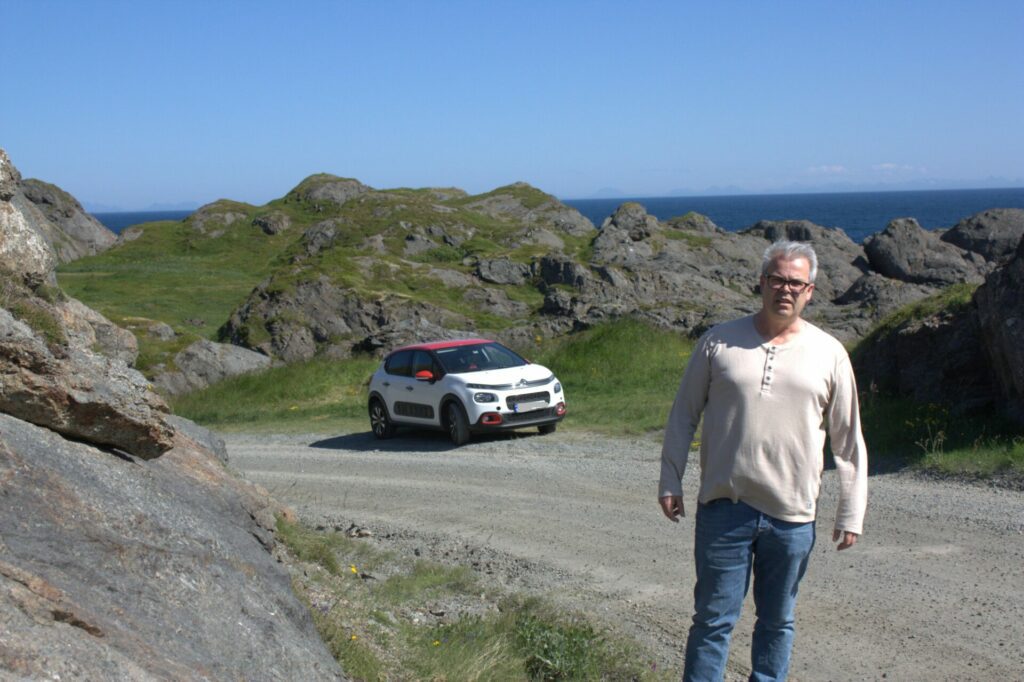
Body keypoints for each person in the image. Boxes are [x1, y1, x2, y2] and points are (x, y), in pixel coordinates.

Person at [658, 240, 868, 681]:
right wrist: (669, 480)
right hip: (723, 509)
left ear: (810, 291)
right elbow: (683, 415)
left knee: (777, 623)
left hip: (792, 516)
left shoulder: (830, 353)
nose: (784, 290)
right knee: (713, 622)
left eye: (795, 282)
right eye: (776, 279)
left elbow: (848, 442)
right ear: (761, 283)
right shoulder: (718, 342)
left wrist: (850, 512)